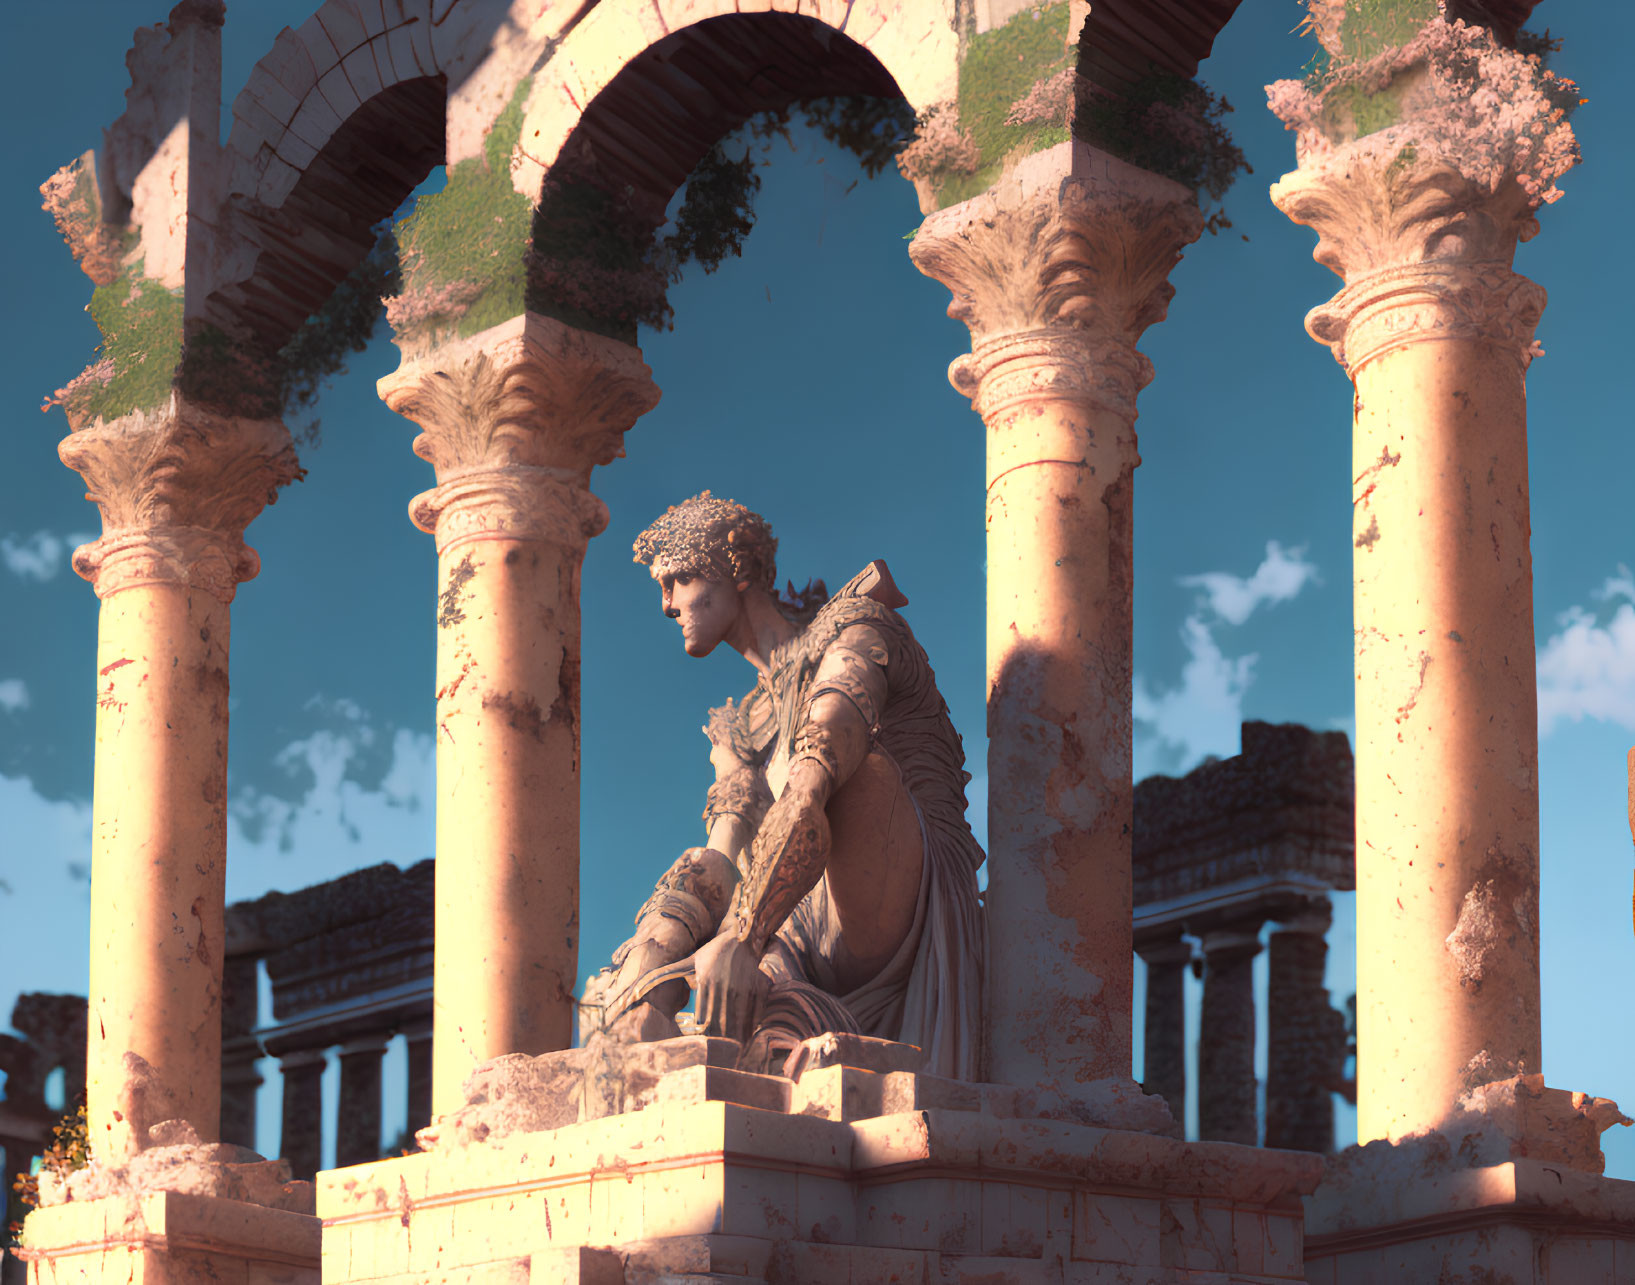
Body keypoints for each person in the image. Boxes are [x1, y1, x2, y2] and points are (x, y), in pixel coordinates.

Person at [582, 492, 985, 1080]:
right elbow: (719, 857)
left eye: (681, 580)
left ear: (738, 571)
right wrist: (661, 964)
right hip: (793, 923)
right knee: (702, 866)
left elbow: (813, 785)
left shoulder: (853, 629)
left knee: (844, 766)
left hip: (893, 895)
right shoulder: (741, 724)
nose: (667, 605)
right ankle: (631, 1023)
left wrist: (744, 939)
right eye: (661, 588)